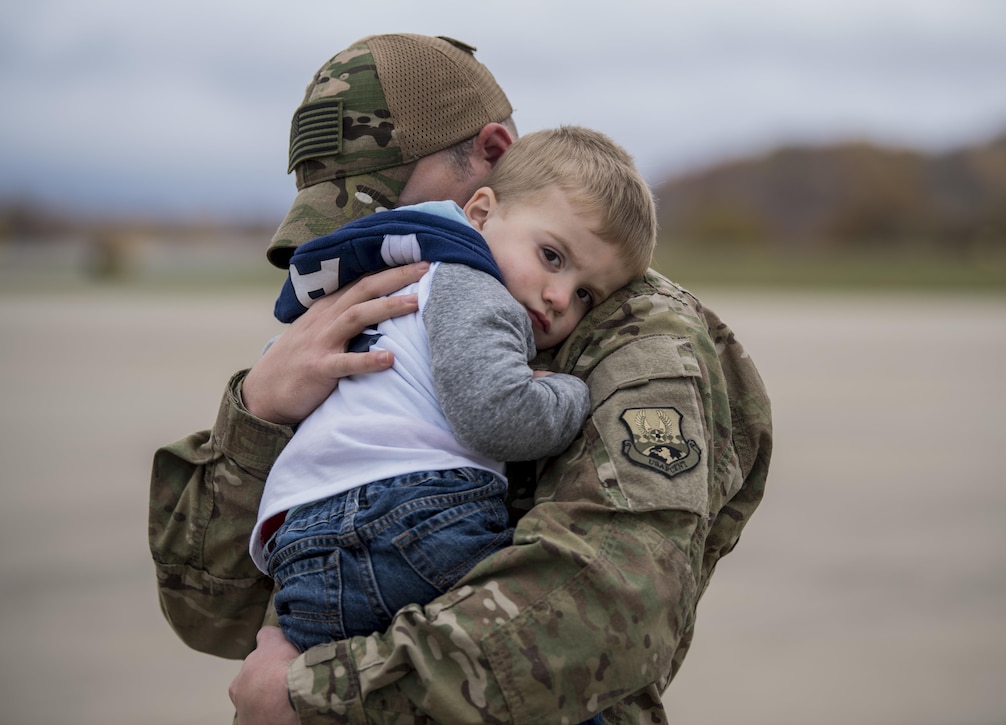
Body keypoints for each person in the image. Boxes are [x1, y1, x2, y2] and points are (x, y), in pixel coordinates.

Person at [149, 32, 773, 724]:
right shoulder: (391, 297)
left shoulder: (640, 337)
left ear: (492, 160)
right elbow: (211, 613)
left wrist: (315, 697)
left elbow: (606, 610)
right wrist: (258, 412)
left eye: (386, 206)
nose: (374, 239)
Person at [253, 125, 656, 660]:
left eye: (587, 294)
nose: (560, 297)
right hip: (411, 517)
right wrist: (572, 392)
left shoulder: (395, 272)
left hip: (296, 547)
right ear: (481, 213)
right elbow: (496, 417)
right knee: (542, 651)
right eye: (552, 257)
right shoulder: (474, 284)